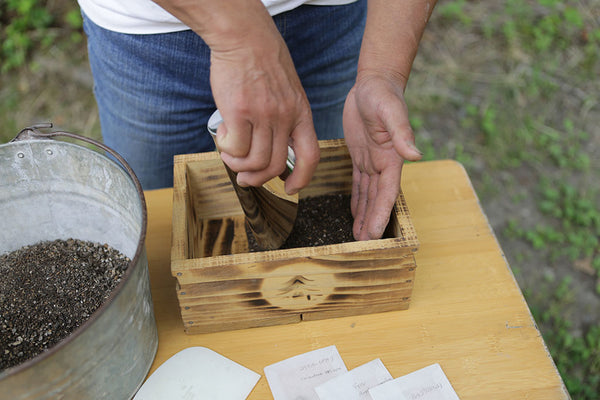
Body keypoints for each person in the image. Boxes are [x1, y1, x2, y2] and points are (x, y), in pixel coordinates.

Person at [78, 0, 436, 241]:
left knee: (312, 188)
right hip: (147, 38)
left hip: (331, 23)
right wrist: (239, 37)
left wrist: (382, 70)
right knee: (155, 229)